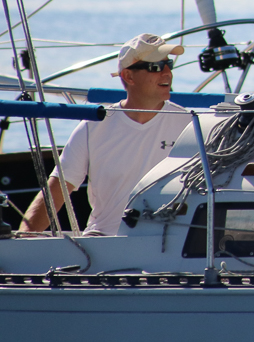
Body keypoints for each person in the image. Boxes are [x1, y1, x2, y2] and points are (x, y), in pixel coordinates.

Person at [20, 33, 190, 236]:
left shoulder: (189, 125)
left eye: (169, 64)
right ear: (128, 76)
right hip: (103, 244)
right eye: (156, 67)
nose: (167, 73)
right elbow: (57, 190)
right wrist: (22, 240)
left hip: (168, 245)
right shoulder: (94, 126)